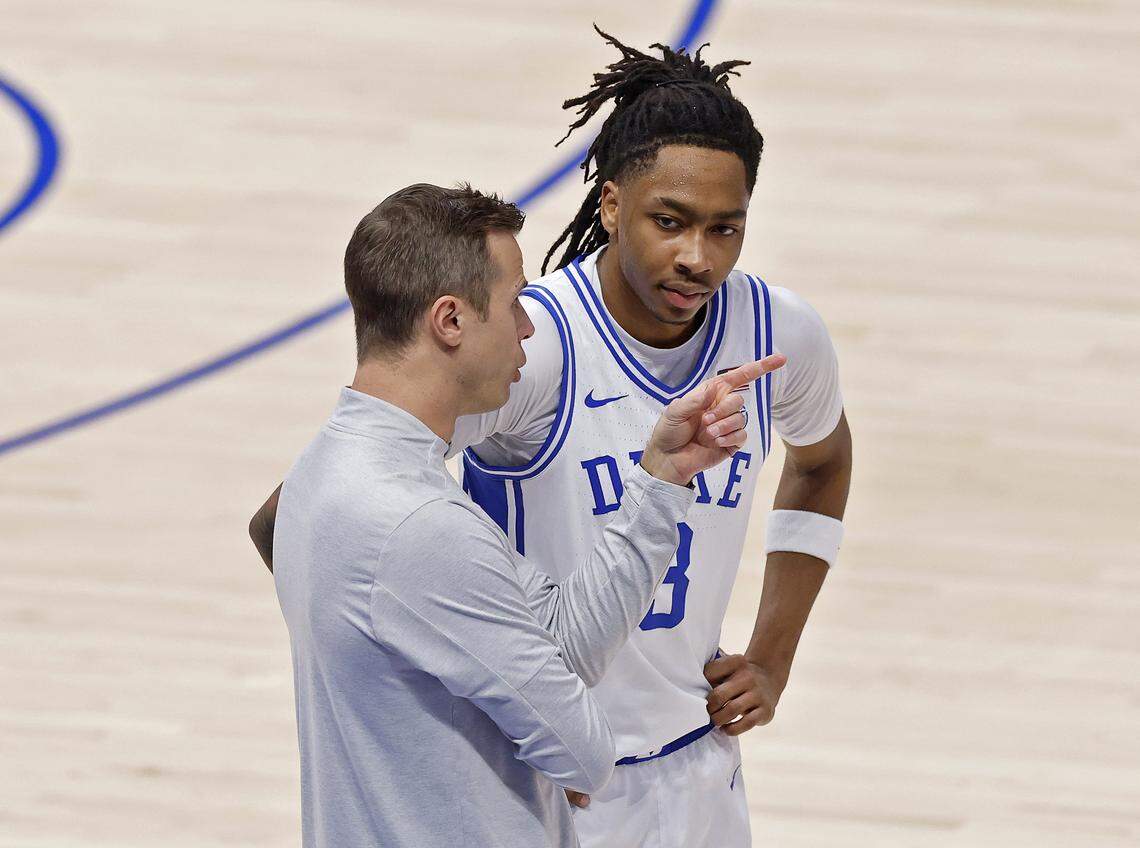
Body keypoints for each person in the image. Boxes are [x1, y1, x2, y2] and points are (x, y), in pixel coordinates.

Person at [251, 31, 852, 848]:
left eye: (725, 230)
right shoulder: (530, 348)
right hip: (565, 782)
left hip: (701, 767)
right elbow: (319, 510)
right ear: (610, 205)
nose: (696, 257)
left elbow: (822, 461)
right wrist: (435, 725)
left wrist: (774, 656)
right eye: (669, 222)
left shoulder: (779, 331)